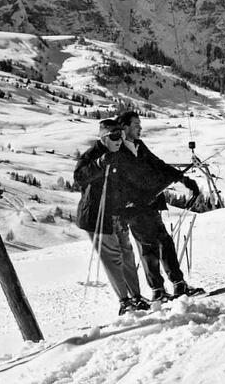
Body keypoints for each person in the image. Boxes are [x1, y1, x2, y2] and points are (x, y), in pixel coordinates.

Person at [115, 111, 204, 301]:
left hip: (151, 204)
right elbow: (119, 182)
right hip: (134, 208)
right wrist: (135, 198)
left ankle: (178, 285)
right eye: (136, 124)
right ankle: (158, 290)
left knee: (165, 242)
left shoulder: (139, 146)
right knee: (149, 247)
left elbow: (159, 165)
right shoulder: (117, 151)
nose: (140, 128)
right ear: (125, 127)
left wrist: (184, 179)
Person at [74, 119, 149, 315]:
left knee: (127, 255)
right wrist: (99, 164)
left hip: (118, 213)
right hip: (97, 215)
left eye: (122, 135)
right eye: (115, 137)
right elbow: (80, 177)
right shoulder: (93, 156)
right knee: (114, 257)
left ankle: (136, 296)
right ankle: (124, 301)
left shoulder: (119, 154)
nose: (119, 140)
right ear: (104, 138)